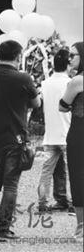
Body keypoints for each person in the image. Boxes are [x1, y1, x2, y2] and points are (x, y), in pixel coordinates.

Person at [0, 40, 40, 241]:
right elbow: (36, 103)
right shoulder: (24, 78)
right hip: (16, 137)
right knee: (10, 185)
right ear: (18, 56)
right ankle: (3, 230)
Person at [37, 49, 72, 213]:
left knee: (48, 172)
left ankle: (44, 203)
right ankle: (72, 202)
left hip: (50, 135)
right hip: (68, 133)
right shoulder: (71, 83)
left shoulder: (45, 84)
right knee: (72, 172)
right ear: (68, 65)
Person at [60, 41, 84, 239]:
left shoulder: (77, 81)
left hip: (79, 132)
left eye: (73, 55)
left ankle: (81, 227)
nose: (70, 58)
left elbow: (62, 105)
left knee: (78, 176)